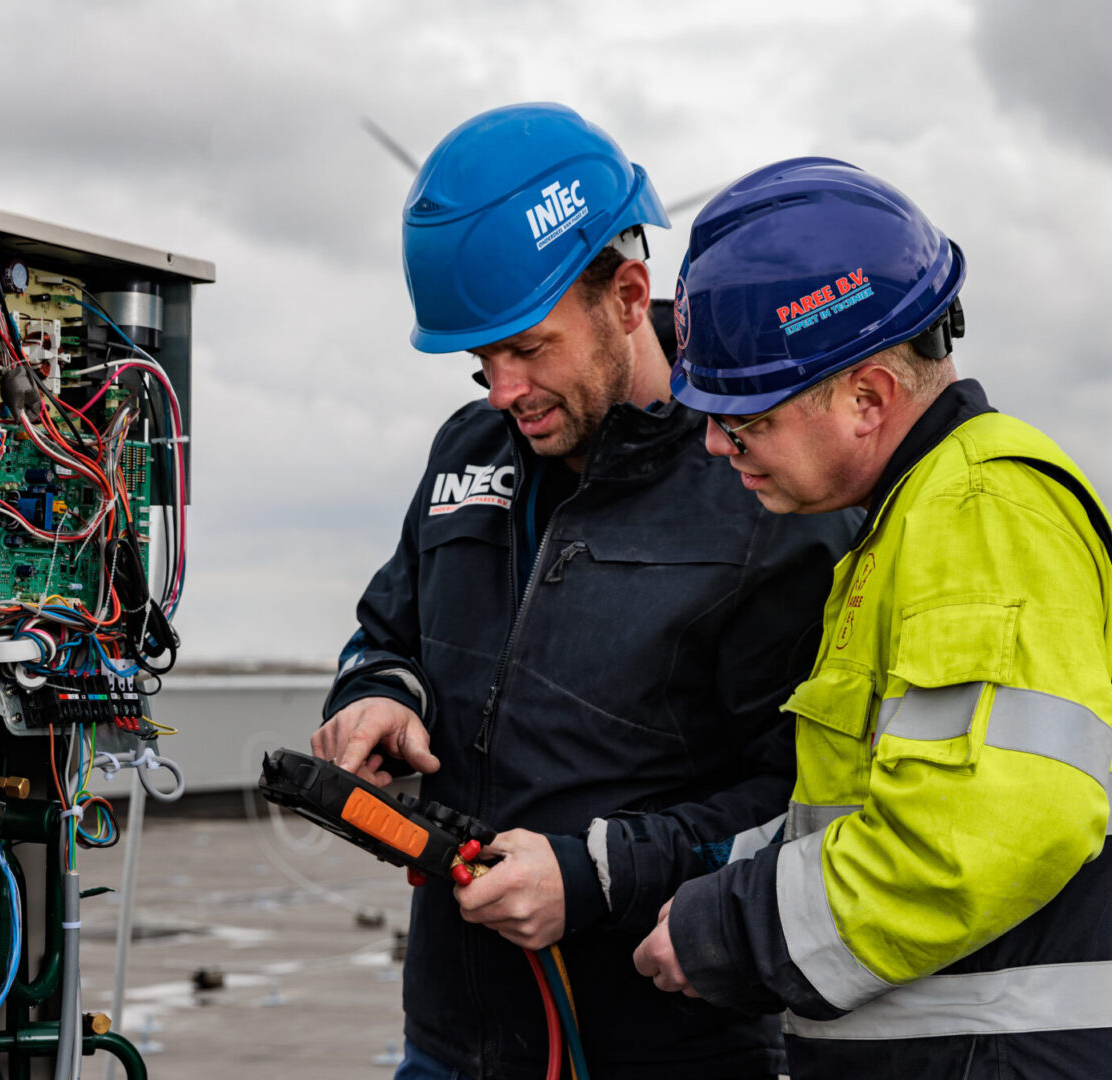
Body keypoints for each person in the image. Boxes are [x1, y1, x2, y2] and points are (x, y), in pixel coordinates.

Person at [311, 107, 855, 1080]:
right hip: (449, 1040)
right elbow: (383, 631)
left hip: (667, 1048)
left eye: (529, 348)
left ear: (629, 293)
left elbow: (806, 798)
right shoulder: (467, 452)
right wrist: (376, 696)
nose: (501, 391)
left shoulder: (764, 488)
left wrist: (595, 877)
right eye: (480, 361)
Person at [632, 157, 1112, 1078]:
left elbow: (982, 830)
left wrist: (730, 929)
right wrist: (670, 880)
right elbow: (864, 812)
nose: (719, 444)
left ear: (868, 399)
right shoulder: (910, 526)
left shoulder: (978, 512)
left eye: (748, 417)